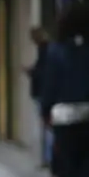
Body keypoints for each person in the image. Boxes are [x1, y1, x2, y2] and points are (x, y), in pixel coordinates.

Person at [41, 5, 89, 177]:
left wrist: (46, 109)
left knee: (66, 157)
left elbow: (50, 83)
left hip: (64, 112)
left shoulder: (55, 51)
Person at [27, 27, 54, 168]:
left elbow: (41, 72)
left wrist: (32, 72)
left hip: (42, 93)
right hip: (43, 93)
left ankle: (49, 158)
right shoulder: (46, 51)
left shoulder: (45, 51)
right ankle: (48, 158)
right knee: (46, 127)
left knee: (47, 127)